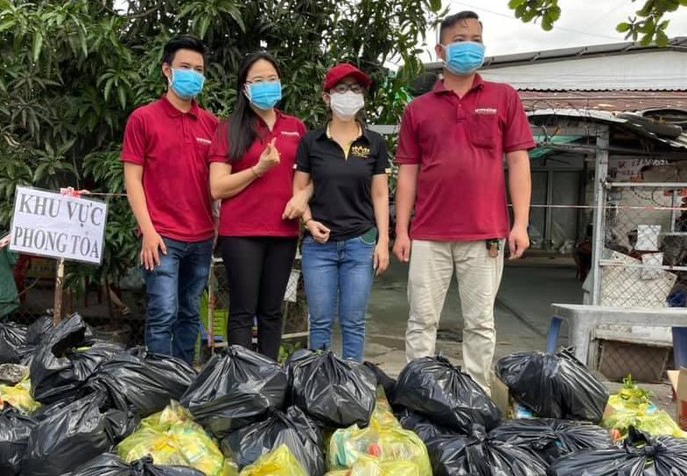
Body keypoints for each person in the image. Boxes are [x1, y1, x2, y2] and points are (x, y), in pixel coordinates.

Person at [393, 11, 534, 393]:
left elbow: (518, 161)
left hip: (486, 232)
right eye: (459, 39)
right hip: (428, 234)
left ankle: (477, 398)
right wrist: (401, 230)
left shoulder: (503, 98)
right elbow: (408, 171)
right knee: (422, 320)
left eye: (476, 38)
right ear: (441, 49)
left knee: (481, 322)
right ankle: (419, 394)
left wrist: (519, 223)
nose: (469, 46)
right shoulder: (418, 109)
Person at [121, 36, 219, 364]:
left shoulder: (211, 124)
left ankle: (183, 380)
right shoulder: (143, 119)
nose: (193, 74)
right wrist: (147, 231)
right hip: (161, 236)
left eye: (199, 69)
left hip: (202, 238)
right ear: (167, 70)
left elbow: (218, 182)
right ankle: (159, 383)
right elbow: (132, 179)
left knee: (190, 314)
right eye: (185, 67)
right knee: (163, 312)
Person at [208, 52, 307, 361]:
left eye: (272, 79)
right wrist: (257, 170)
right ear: (244, 87)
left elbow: (311, 175)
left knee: (272, 311)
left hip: (284, 232)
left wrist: (302, 197)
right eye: (258, 80)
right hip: (241, 233)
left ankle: (269, 379)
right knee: (242, 309)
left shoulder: (296, 128)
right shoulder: (230, 129)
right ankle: (241, 379)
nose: (267, 85)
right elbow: (217, 186)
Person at [293, 63, 390, 362]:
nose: (349, 95)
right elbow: (299, 192)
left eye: (356, 89)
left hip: (360, 244)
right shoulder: (311, 142)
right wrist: (308, 223)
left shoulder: (374, 142)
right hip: (319, 247)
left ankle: (352, 385)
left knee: (353, 322)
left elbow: (380, 193)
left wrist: (384, 241)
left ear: (363, 97)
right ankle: (318, 383)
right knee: (320, 322)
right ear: (327, 97)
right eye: (341, 89)